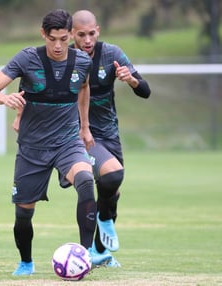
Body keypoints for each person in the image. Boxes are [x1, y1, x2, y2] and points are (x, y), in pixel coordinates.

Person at [0, 9, 97, 276]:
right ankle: (26, 262)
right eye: (53, 39)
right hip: (33, 147)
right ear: (43, 34)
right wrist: (5, 99)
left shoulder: (82, 62)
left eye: (64, 39)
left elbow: (83, 88)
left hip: (68, 142)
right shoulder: (27, 58)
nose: (58, 46)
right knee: (23, 212)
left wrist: (85, 127)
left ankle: (85, 254)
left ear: (70, 36)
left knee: (87, 181)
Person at [71, 10, 151, 267]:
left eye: (91, 33)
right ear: (72, 34)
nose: (87, 39)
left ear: (98, 31)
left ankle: (99, 252)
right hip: (80, 135)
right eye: (81, 34)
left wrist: (131, 81)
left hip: (109, 134)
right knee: (111, 176)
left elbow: (145, 91)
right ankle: (93, 241)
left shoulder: (113, 54)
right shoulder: (66, 58)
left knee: (112, 193)